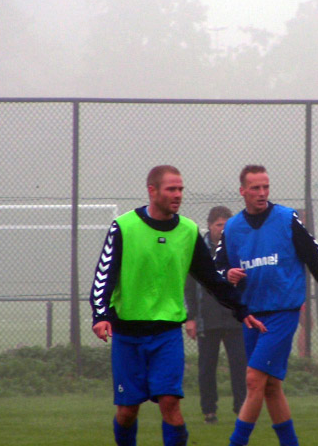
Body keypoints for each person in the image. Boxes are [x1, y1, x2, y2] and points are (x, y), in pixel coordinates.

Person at [90, 165, 266, 446]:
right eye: (171, 189)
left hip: (167, 334)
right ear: (152, 191)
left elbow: (212, 278)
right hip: (128, 335)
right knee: (127, 411)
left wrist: (242, 310)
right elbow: (104, 276)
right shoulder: (124, 227)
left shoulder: (187, 231)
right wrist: (101, 315)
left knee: (170, 403)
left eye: (181, 189)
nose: (178, 195)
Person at [216, 165, 318, 446]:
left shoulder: (286, 219)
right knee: (271, 387)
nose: (262, 193)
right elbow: (216, 269)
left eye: (266, 187)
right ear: (243, 192)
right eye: (255, 188)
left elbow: (315, 257)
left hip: (282, 312)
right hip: (251, 315)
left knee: (253, 380)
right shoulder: (232, 227)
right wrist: (227, 274)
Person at [184, 206, 247, 424]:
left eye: (226, 225)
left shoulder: (237, 248)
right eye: (219, 224)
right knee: (206, 368)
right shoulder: (198, 250)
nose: (222, 229)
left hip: (234, 318)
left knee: (240, 366)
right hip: (206, 318)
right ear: (210, 225)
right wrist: (190, 318)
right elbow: (189, 286)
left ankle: (242, 409)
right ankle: (209, 411)